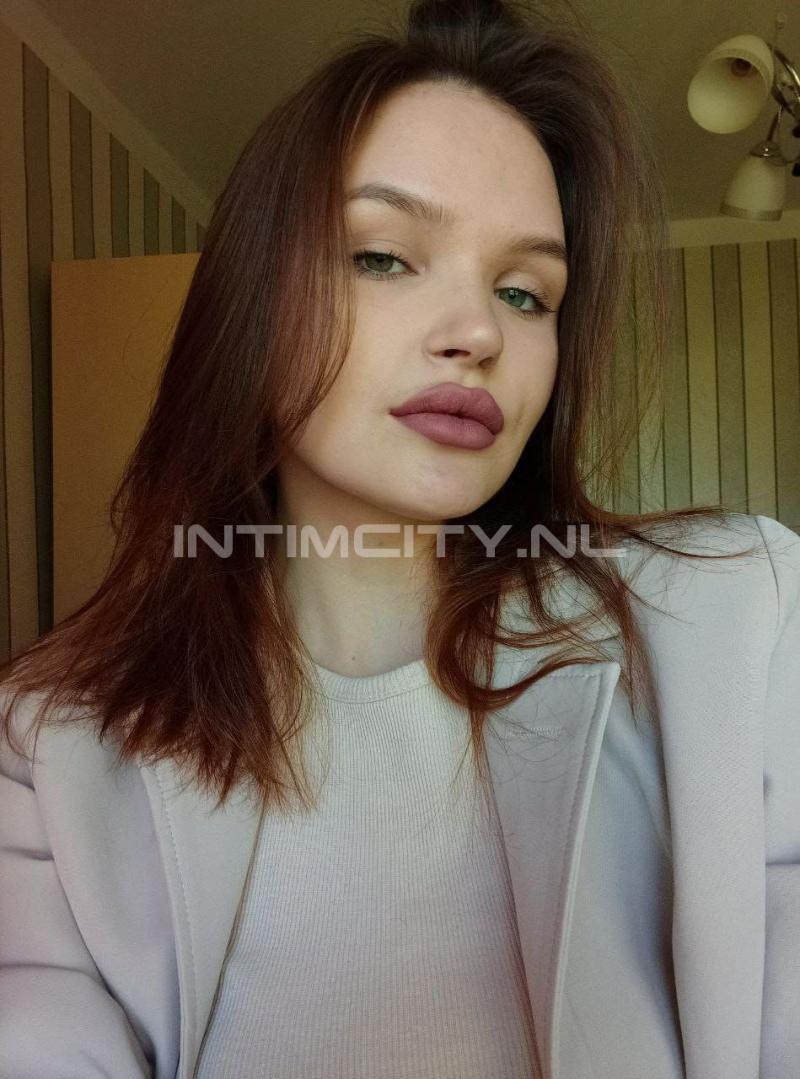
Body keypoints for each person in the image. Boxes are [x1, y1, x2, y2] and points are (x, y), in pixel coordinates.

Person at [1, 1, 798, 1077]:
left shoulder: (741, 627)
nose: (478, 331)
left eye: (525, 292)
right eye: (382, 257)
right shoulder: (48, 743)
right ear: (250, 298)